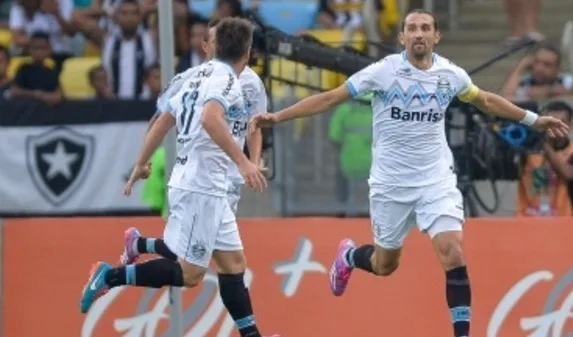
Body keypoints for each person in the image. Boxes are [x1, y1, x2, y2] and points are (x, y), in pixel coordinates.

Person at [250, 9, 569, 337]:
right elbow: (331, 97)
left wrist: (533, 119)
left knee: (453, 251)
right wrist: (277, 117)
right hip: (391, 185)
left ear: (436, 36)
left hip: (436, 181)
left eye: (425, 28)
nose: (419, 33)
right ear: (402, 37)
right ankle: (349, 255)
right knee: (385, 265)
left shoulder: (450, 74)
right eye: (412, 28)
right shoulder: (383, 72)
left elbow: (486, 100)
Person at [80, 17, 276, 337]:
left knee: (233, 265)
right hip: (203, 185)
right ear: (248, 51)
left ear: (214, 46)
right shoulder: (226, 79)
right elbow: (211, 119)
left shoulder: (192, 76)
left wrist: (140, 163)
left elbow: (162, 121)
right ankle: (109, 276)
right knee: (190, 274)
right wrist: (243, 163)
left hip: (201, 183)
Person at [517, 100, 573, 216]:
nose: (555, 128)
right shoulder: (528, 148)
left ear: (570, 125)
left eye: (561, 123)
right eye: (550, 123)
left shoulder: (571, 150)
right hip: (527, 219)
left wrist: (546, 147)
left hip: (562, 221)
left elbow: (568, 174)